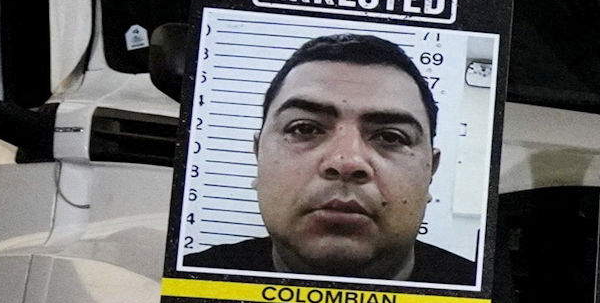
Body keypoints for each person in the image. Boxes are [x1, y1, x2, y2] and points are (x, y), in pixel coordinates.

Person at [180, 32, 478, 283]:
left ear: (430, 173)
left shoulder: (485, 302)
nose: (346, 161)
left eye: (390, 136)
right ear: (258, 155)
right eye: (304, 128)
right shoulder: (186, 283)